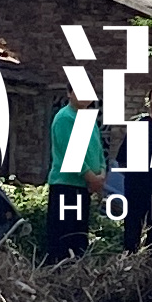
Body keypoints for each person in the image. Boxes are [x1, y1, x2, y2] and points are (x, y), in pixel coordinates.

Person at [44, 94, 106, 263]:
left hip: (83, 187)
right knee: (63, 237)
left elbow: (98, 151)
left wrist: (101, 173)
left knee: (78, 237)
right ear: (69, 93)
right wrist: (92, 178)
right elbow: (70, 154)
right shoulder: (65, 117)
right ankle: (57, 274)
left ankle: (77, 274)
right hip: (66, 187)